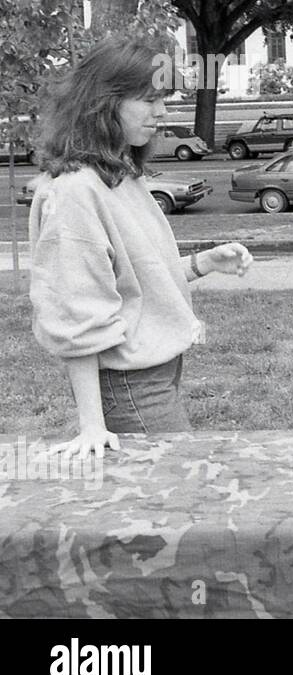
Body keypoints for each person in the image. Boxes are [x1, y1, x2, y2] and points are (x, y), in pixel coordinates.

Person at [28, 34, 254, 461]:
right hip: (129, 384)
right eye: (149, 100)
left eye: (163, 99)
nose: (162, 112)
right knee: (182, 495)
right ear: (104, 103)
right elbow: (77, 311)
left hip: (155, 372)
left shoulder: (119, 174)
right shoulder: (75, 191)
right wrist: (92, 425)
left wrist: (202, 263)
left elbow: (133, 277)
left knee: (165, 502)